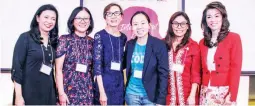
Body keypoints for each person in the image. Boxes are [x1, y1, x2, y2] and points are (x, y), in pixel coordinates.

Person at [11, 4, 59, 105]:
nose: (49, 21)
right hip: (28, 92)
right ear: (37, 18)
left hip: (49, 93)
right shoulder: (25, 38)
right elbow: (17, 68)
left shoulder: (54, 42)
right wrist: (19, 97)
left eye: (53, 19)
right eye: (46, 17)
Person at [199, 1, 242, 105]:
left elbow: (236, 69)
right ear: (205, 20)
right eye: (209, 17)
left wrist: (232, 95)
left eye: (216, 16)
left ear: (223, 17)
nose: (213, 20)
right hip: (205, 91)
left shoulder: (234, 38)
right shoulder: (202, 42)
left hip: (224, 92)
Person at [124, 11, 169, 105]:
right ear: (132, 27)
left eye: (143, 23)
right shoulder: (130, 45)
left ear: (149, 25)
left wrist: (161, 100)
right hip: (132, 94)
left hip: (151, 96)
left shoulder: (159, 45)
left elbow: (163, 74)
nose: (139, 27)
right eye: (135, 24)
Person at [55, 7, 94, 105]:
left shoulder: (92, 42)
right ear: (72, 21)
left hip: (87, 92)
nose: (82, 21)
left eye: (86, 18)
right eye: (79, 18)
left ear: (90, 21)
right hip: (68, 91)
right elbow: (58, 70)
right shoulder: (64, 40)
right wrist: (61, 93)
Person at [93, 3, 127, 105]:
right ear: (105, 17)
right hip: (104, 84)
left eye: (116, 13)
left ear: (121, 17)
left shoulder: (123, 38)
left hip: (119, 85)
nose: (113, 16)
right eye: (109, 14)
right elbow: (97, 66)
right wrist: (102, 92)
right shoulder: (99, 36)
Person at [164, 11, 201, 105]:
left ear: (188, 26)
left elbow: (196, 74)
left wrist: (192, 96)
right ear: (171, 25)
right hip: (167, 97)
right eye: (176, 23)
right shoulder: (162, 44)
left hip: (187, 97)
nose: (179, 27)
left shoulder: (194, 46)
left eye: (183, 24)